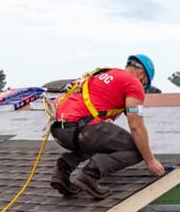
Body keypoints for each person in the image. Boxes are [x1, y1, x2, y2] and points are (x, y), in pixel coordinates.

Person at [50, 55, 166, 199]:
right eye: (145, 84)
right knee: (137, 149)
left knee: (102, 142)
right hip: (82, 129)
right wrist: (150, 160)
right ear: (141, 74)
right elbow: (136, 126)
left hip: (60, 130)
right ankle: (90, 175)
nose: (142, 88)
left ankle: (62, 170)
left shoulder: (106, 73)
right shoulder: (133, 84)